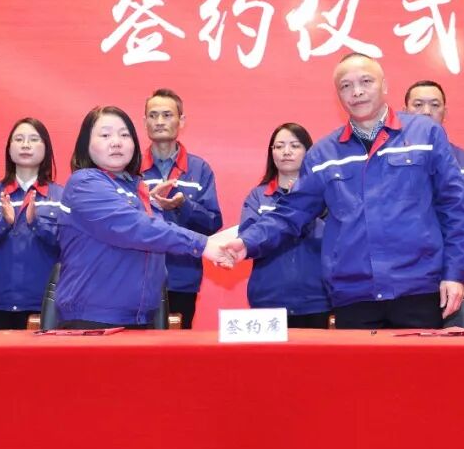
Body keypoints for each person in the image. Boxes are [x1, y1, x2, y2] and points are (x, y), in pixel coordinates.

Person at [223, 53, 464, 330]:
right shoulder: (323, 153)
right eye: (346, 85)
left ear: (384, 85)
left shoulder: (426, 134)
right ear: (338, 95)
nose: (357, 91)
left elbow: (455, 207)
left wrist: (454, 273)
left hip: (418, 290)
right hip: (354, 296)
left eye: (366, 81)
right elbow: (290, 213)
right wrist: (247, 242)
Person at [54, 106, 232, 329]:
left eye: (124, 135)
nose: (116, 142)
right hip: (93, 320)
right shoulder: (84, 183)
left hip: (141, 317)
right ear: (86, 144)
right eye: (105, 135)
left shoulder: (137, 188)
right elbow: (135, 227)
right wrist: (202, 245)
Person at [0, 118, 64, 330]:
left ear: (46, 148)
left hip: (45, 304)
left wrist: (37, 224)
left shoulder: (60, 196)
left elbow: (71, 245)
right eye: (19, 139)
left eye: (33, 139)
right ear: (9, 149)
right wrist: (3, 223)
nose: (25, 145)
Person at [140, 88, 223, 328]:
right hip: (138, 279)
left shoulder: (199, 169)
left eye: (167, 115)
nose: (159, 121)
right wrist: (148, 203)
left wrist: (183, 205)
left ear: (181, 121)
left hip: (182, 277)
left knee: (176, 346)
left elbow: (212, 223)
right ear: (144, 122)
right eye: (153, 115)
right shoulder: (131, 168)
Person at [404, 80, 464, 315]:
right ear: (404, 111)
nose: (426, 111)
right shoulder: (389, 158)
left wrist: (445, 254)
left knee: (451, 338)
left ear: (445, 111)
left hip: (450, 273)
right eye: (418, 105)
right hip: (404, 275)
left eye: (434, 105)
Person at [239, 123, 331, 329]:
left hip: (317, 300)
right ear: (271, 153)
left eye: (295, 146)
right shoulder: (258, 196)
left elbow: (336, 239)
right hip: (268, 300)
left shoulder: (325, 195)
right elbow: (248, 240)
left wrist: (304, 208)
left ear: (308, 152)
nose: (286, 152)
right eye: (279, 146)